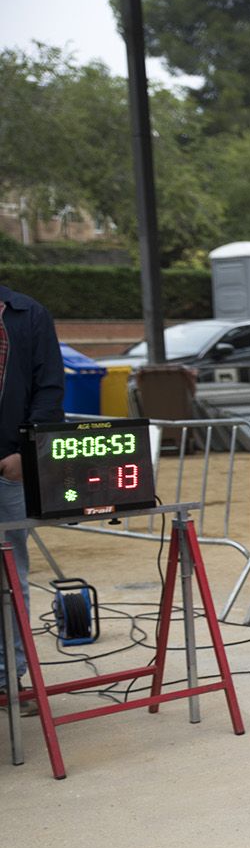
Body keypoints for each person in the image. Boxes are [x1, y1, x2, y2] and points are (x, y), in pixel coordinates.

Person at [0, 283, 66, 716]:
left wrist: (26, 452)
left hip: (8, 469)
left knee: (9, 581)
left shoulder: (28, 313)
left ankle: (9, 681)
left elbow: (49, 387)